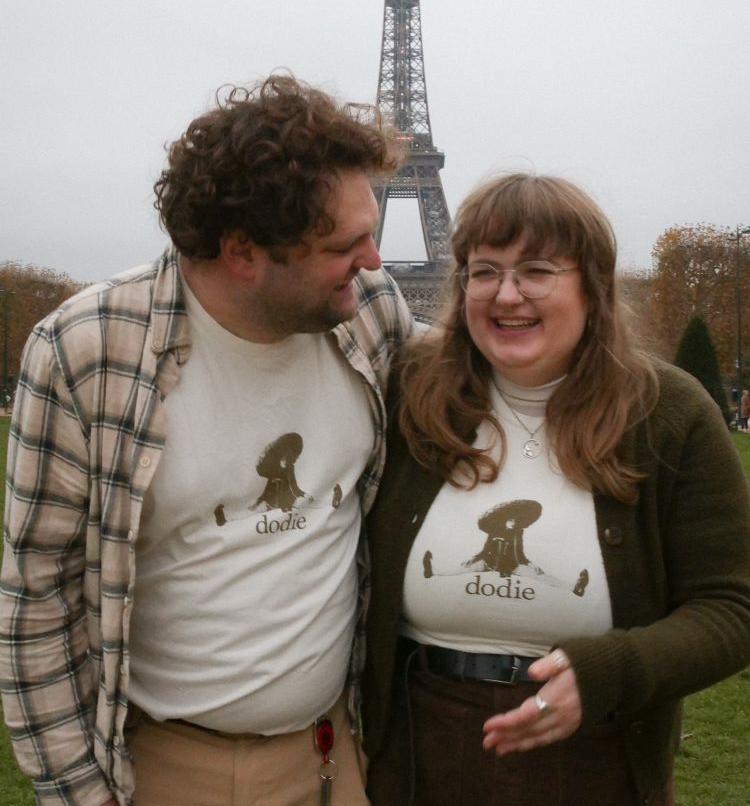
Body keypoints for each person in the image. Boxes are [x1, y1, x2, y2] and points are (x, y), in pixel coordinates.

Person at [0, 75, 414, 806]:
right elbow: (37, 601)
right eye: (345, 245)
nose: (376, 261)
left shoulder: (372, 313)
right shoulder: (84, 350)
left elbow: (483, 386)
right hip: (165, 772)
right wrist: (78, 797)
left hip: (331, 759)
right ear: (244, 252)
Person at [362, 173, 750, 806]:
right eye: (484, 271)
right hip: (416, 752)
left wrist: (608, 673)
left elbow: (732, 609)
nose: (506, 294)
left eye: (536, 270)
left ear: (591, 289)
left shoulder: (669, 414)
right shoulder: (411, 395)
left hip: (595, 754)